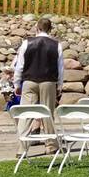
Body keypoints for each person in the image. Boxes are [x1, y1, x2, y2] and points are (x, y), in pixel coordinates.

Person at [13, 17, 64, 154]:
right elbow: (60, 68)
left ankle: (22, 148)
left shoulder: (26, 43)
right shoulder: (56, 45)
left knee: (26, 114)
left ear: (37, 28)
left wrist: (17, 83)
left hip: (29, 81)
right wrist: (59, 85)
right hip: (48, 81)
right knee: (48, 113)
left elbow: (20, 65)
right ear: (50, 29)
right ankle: (51, 146)